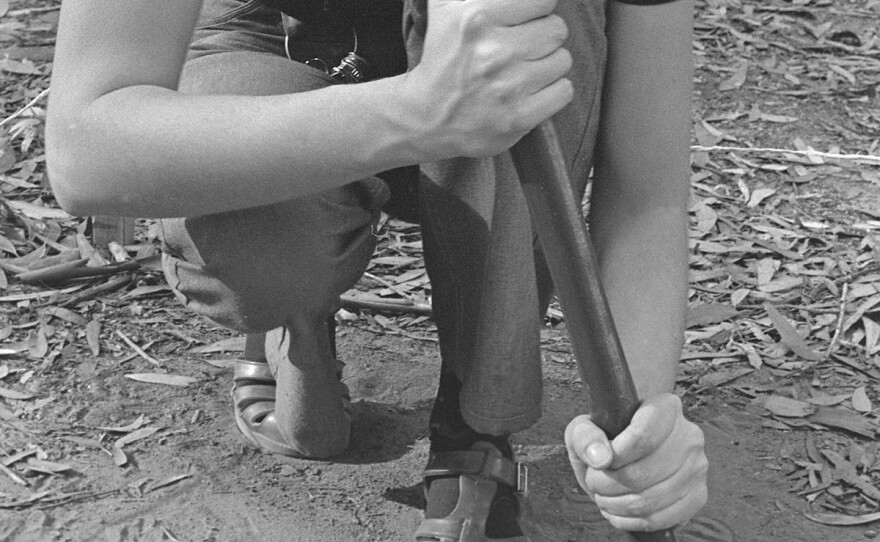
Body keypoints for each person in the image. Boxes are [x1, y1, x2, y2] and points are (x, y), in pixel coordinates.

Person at [46, 0, 707, 539]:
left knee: (538, 20)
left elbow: (647, 198)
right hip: (277, 49)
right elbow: (87, 144)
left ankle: (475, 427)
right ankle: (294, 313)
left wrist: (645, 423)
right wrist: (422, 113)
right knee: (258, 238)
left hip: (494, 82)